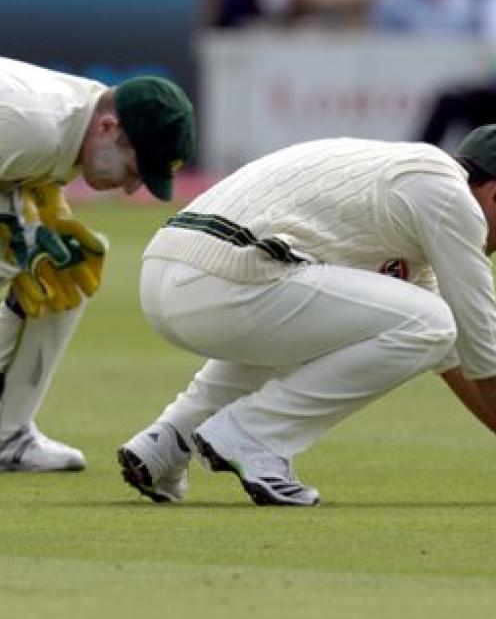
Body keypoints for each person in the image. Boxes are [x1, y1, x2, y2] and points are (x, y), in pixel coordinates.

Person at [119, 125, 496, 507]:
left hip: (165, 273)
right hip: (222, 279)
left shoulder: (409, 188)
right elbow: (483, 350)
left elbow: (457, 357)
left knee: (349, 317)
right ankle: (255, 433)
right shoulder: (451, 200)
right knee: (431, 321)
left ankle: (167, 443)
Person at [0, 56, 194, 472]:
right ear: (108, 129)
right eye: (132, 170)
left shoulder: (83, 118)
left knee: (65, 262)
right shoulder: (33, 128)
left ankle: (8, 436)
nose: (130, 187)